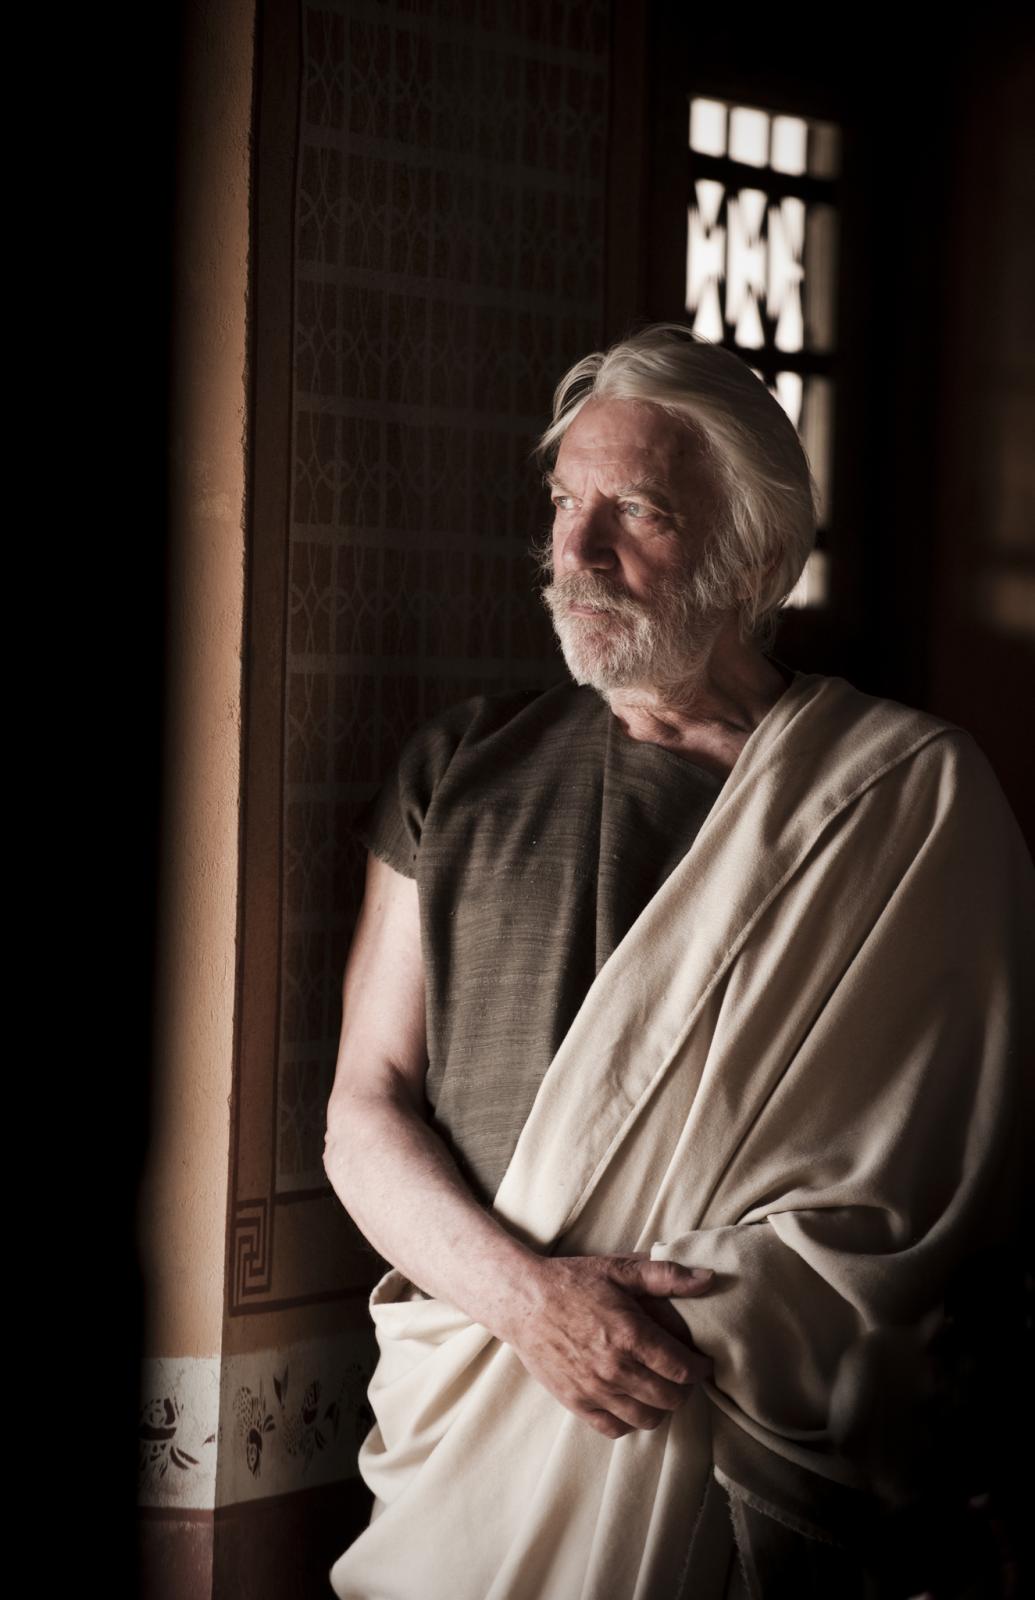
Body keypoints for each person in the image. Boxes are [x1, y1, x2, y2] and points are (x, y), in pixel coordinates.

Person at [323, 325, 1034, 1599]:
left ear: (751, 554)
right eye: (565, 504)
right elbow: (360, 1112)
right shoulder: (460, 770)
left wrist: (670, 1328)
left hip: (731, 1448)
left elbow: (930, 1198)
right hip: (473, 1415)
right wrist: (532, 1305)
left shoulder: (907, 799)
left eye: (637, 512)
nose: (578, 552)